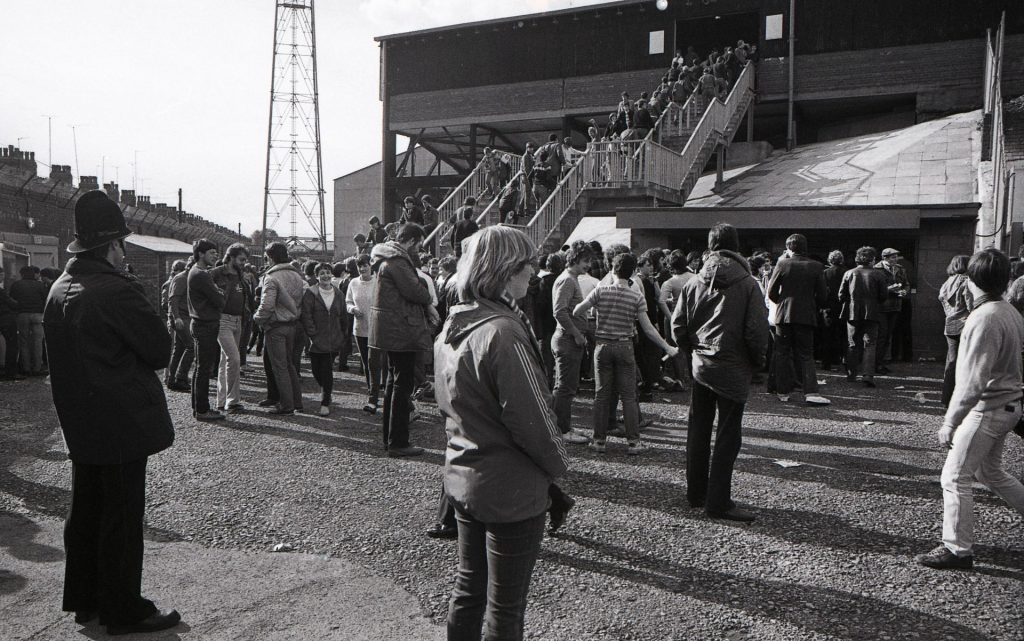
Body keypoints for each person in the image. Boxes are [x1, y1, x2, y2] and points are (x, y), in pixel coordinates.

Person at [43, 189, 181, 635]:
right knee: (121, 518)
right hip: (121, 421)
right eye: (122, 243)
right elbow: (159, 349)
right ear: (113, 246)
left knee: (85, 511)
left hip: (81, 422)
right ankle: (124, 608)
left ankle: (86, 600)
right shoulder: (115, 291)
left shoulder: (59, 287)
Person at [434, 225, 570, 641]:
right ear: (505, 271)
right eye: (526, 264)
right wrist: (558, 469)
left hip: (464, 477)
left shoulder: (453, 327)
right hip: (510, 488)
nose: (533, 271)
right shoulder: (504, 332)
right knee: (505, 610)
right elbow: (533, 420)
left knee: (467, 590)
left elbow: (447, 405)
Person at [917, 248, 1024, 570]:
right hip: (1007, 405)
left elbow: (973, 379)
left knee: (954, 477)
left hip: (986, 408)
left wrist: (950, 421)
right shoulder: (1009, 312)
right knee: (990, 472)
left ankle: (957, 549)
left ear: (970, 279)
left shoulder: (983, 317)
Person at [672, 223, 769, 522]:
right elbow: (756, 330)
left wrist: (692, 351)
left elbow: (678, 326)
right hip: (734, 365)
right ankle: (719, 502)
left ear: (710, 246)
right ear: (736, 247)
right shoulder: (749, 283)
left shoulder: (693, 282)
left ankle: (696, 493)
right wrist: (758, 362)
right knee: (728, 435)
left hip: (702, 364)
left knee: (698, 429)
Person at [575, 252, 678, 455]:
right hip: (624, 346)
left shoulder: (600, 291)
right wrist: (668, 347)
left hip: (602, 346)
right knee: (629, 396)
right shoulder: (636, 296)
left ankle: (599, 441)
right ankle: (634, 443)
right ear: (632, 273)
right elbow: (648, 329)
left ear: (613, 269)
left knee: (602, 395)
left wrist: (594, 316)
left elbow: (578, 310)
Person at [370, 223, 437, 457]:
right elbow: (416, 291)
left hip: (391, 329)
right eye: (418, 244)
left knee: (393, 382)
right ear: (410, 241)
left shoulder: (386, 258)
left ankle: (392, 439)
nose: (419, 249)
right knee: (402, 384)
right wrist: (427, 297)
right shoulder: (398, 261)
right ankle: (398, 442)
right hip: (401, 330)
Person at [766, 234, 829, 405]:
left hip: (783, 314)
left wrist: (782, 302)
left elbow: (771, 291)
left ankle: (783, 391)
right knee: (806, 354)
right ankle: (811, 392)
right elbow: (823, 296)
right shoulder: (816, 266)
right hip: (806, 314)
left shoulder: (782, 264)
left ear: (788, 248)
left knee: (782, 353)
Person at [253, 241, 306, 415]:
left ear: (269, 257)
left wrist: (257, 318)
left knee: (279, 366)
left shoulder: (271, 277)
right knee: (290, 364)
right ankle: (297, 402)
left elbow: (267, 305)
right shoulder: (297, 276)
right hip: (293, 324)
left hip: (276, 326)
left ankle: (286, 405)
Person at [551, 241, 595, 444]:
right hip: (567, 340)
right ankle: (561, 429)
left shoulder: (571, 279)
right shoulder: (568, 280)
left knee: (566, 386)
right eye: (586, 260)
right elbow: (559, 311)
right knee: (565, 387)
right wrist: (577, 334)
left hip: (568, 339)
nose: (589, 265)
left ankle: (563, 425)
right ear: (575, 258)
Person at [187, 239, 225, 421]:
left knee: (200, 368)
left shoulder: (197, 271)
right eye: (211, 252)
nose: (215, 255)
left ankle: (198, 407)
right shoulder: (201, 275)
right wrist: (219, 292)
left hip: (199, 323)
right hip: (206, 324)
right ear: (201, 254)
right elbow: (220, 301)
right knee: (204, 368)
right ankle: (202, 409)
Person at [838, 247, 888, 388]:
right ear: (873, 259)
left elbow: (841, 295)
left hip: (853, 312)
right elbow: (883, 295)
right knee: (870, 344)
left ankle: (851, 373)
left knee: (852, 343)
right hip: (872, 312)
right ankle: (867, 375)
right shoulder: (878, 275)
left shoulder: (849, 273)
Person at [211, 243, 251, 414]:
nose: (244, 263)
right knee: (234, 359)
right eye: (241, 259)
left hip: (238, 320)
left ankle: (221, 401)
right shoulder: (216, 273)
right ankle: (232, 401)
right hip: (223, 320)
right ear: (231, 257)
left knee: (224, 360)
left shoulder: (241, 274)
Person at [301, 262, 345, 416]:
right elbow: (306, 315)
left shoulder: (338, 293)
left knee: (327, 371)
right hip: (315, 340)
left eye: (327, 272)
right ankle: (326, 390)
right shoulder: (311, 293)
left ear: (331, 274)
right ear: (317, 276)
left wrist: (342, 336)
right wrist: (313, 334)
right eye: (321, 273)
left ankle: (325, 402)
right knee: (315, 371)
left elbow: (343, 316)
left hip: (333, 339)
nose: (325, 276)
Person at [346, 254, 386, 413]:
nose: (362, 269)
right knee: (367, 363)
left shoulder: (379, 281)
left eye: (365, 265)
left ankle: (373, 399)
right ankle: (373, 392)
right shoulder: (353, 283)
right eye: (360, 266)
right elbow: (348, 301)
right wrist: (352, 309)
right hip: (360, 328)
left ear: (371, 266)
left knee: (374, 363)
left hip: (377, 328)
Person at [938, 255, 972, 406]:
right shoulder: (967, 282)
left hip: (950, 324)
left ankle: (946, 398)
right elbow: (972, 305)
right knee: (966, 362)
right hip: (966, 323)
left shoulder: (947, 282)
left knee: (951, 362)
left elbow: (942, 299)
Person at [874, 248, 909, 374]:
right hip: (882, 307)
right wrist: (888, 289)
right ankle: (876, 364)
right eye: (892, 257)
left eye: (896, 257)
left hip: (895, 305)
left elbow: (906, 283)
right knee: (881, 336)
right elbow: (874, 288)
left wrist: (905, 291)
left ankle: (882, 362)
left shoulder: (900, 269)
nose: (895, 259)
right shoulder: (876, 269)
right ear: (885, 258)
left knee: (888, 335)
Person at [10, 264, 48, 376]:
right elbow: (45, 299)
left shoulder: (16, 285)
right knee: (38, 342)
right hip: (38, 315)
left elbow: (12, 299)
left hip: (22, 315)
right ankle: (37, 368)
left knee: (24, 342)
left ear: (21, 274)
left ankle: (26, 368)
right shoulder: (40, 285)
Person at [165, 258, 194, 392]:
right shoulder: (182, 278)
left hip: (186, 317)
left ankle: (172, 380)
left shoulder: (190, 277)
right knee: (192, 346)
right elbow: (173, 299)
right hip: (181, 318)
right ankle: (180, 377)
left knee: (179, 349)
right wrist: (176, 317)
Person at [820, 250, 848, 372]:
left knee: (827, 336)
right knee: (844, 336)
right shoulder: (847, 272)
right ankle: (845, 361)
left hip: (829, 307)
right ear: (841, 260)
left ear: (830, 260)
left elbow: (822, 291)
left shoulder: (825, 273)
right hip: (843, 307)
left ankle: (826, 363)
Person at [0, 266, 22, 380]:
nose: (3, 277)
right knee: (12, 345)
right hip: (5, 319)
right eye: (2, 275)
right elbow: (12, 303)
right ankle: (11, 372)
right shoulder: (1, 291)